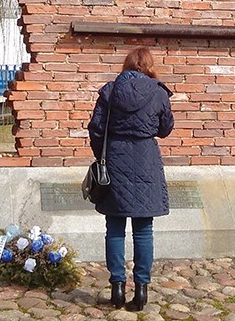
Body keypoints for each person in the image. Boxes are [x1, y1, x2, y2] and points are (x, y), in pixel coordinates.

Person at [87, 46, 175, 311]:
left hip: (115, 159)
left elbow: (96, 129)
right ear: (149, 66)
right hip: (146, 159)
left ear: (126, 65)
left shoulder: (110, 91)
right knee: (143, 228)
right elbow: (166, 128)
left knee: (114, 226)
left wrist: (103, 155)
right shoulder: (158, 92)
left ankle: (116, 287)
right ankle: (141, 290)